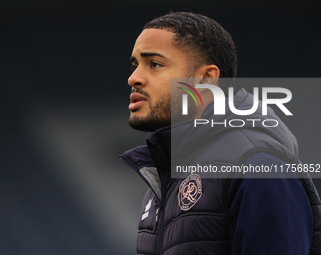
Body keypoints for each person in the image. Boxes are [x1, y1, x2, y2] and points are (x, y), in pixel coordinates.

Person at [120, 12, 321, 254]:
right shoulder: (166, 178)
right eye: (135, 65)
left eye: (155, 64)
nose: (134, 78)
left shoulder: (258, 165)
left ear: (206, 78)